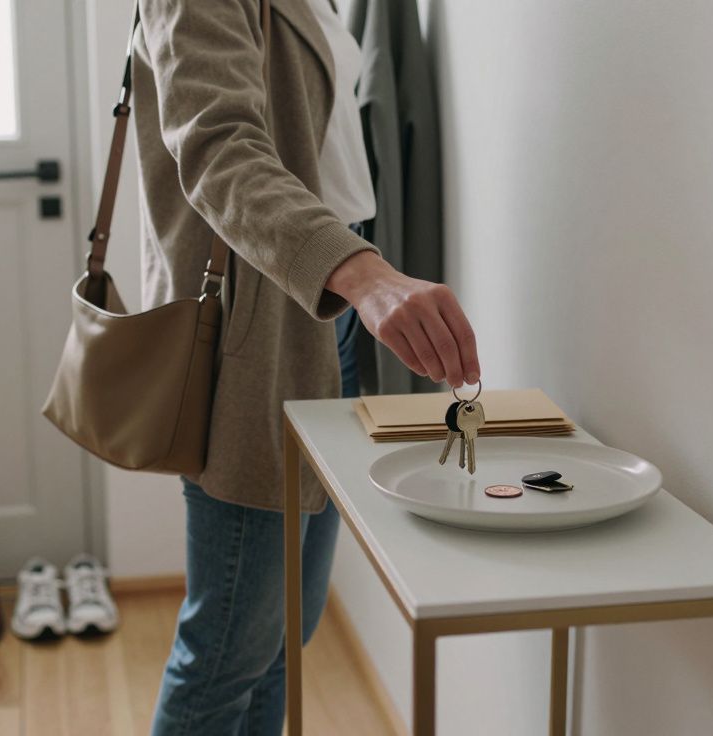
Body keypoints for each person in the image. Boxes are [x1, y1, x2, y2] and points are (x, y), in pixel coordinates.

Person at [130, 1, 479, 733]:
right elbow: (218, 145)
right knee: (228, 649)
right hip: (269, 321)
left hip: (325, 307)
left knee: (287, 633)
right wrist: (367, 275)